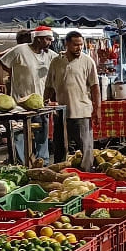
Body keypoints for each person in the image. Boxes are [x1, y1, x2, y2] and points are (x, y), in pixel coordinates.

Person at [0, 25, 56, 164]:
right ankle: (22, 163)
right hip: (20, 102)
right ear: (38, 39)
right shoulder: (20, 50)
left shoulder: (49, 55)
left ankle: (43, 162)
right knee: (19, 134)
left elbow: (60, 65)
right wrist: (0, 84)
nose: (50, 43)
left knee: (41, 133)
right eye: (47, 39)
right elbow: (0, 64)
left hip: (41, 102)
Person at [43, 31, 100, 172]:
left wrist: (97, 108)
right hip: (61, 113)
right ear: (67, 44)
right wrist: (43, 103)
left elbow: (95, 87)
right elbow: (49, 85)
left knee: (85, 146)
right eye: (75, 45)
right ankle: (59, 173)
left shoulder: (88, 61)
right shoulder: (56, 61)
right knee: (60, 146)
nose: (79, 48)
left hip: (81, 111)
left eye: (81, 45)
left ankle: (87, 172)